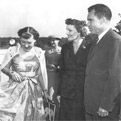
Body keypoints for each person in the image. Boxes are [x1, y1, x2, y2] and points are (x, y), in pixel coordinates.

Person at [0, 26, 49, 121]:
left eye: (29, 43)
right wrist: (11, 73)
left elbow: (41, 73)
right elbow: (3, 67)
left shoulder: (38, 52)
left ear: (35, 41)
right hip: (15, 89)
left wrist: (45, 90)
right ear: (20, 40)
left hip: (34, 89)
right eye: (23, 42)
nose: (26, 45)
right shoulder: (13, 50)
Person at [84, 4, 121, 121]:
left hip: (103, 109)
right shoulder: (97, 41)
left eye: (91, 20)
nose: (87, 24)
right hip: (91, 106)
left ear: (103, 20)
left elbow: (116, 77)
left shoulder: (115, 41)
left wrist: (106, 105)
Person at [57, 18, 92, 121]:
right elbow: (62, 71)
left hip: (82, 94)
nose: (67, 33)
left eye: (70, 30)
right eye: (66, 30)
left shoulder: (90, 46)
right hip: (66, 92)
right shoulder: (65, 47)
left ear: (79, 31)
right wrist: (59, 92)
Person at [45, 37, 61, 120]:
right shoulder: (47, 51)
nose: (52, 42)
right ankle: (49, 117)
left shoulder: (62, 50)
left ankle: (57, 116)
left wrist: (59, 66)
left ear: (58, 40)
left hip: (59, 75)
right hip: (49, 75)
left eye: (54, 40)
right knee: (49, 94)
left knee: (57, 95)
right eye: (51, 40)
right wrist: (48, 65)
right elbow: (43, 63)